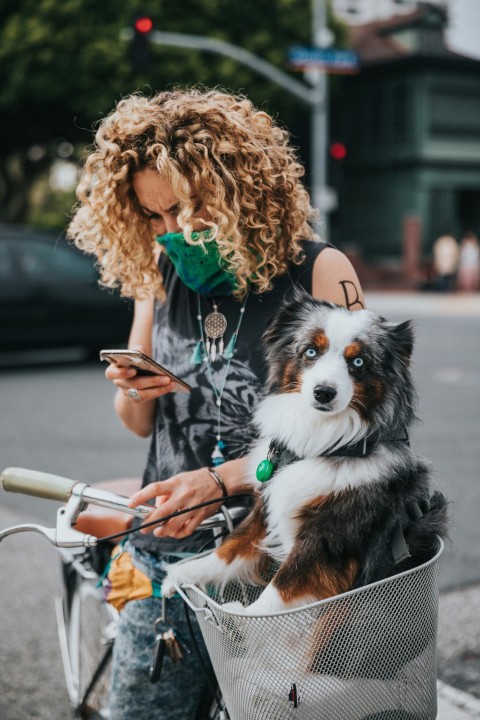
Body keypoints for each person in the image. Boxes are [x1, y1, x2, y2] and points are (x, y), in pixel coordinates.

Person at [68, 86, 365, 720]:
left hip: (274, 570)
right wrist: (133, 388)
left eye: (183, 208)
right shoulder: (160, 272)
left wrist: (219, 480)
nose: (171, 232)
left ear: (235, 188)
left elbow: (360, 434)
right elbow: (140, 424)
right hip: (164, 566)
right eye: (153, 216)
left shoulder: (320, 271)